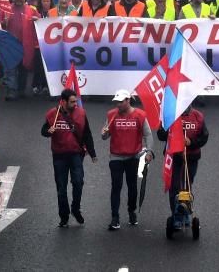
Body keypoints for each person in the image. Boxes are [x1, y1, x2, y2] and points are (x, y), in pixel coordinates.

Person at [42, 88, 97, 228]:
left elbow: (87, 134)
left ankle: (75, 208)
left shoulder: (81, 113)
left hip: (75, 154)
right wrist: (48, 132)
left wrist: (93, 153)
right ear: (63, 101)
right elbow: (44, 131)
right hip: (59, 155)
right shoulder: (52, 114)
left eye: (76, 101)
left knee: (78, 182)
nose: (75, 104)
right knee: (61, 188)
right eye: (72, 102)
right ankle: (64, 216)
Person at [101, 89, 154, 230]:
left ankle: (131, 211)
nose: (118, 104)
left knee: (132, 187)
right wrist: (104, 134)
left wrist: (149, 151)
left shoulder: (140, 115)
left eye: (120, 102)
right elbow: (105, 135)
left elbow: (148, 135)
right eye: (116, 102)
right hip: (116, 157)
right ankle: (115, 217)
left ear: (128, 100)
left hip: (133, 156)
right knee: (116, 186)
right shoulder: (112, 115)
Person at [156, 103, 208, 220]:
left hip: (191, 157)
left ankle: (186, 210)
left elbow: (204, 136)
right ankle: (176, 214)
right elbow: (161, 136)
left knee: (187, 185)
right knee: (174, 187)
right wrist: (167, 128)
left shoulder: (198, 116)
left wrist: (191, 142)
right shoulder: (170, 116)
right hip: (174, 157)